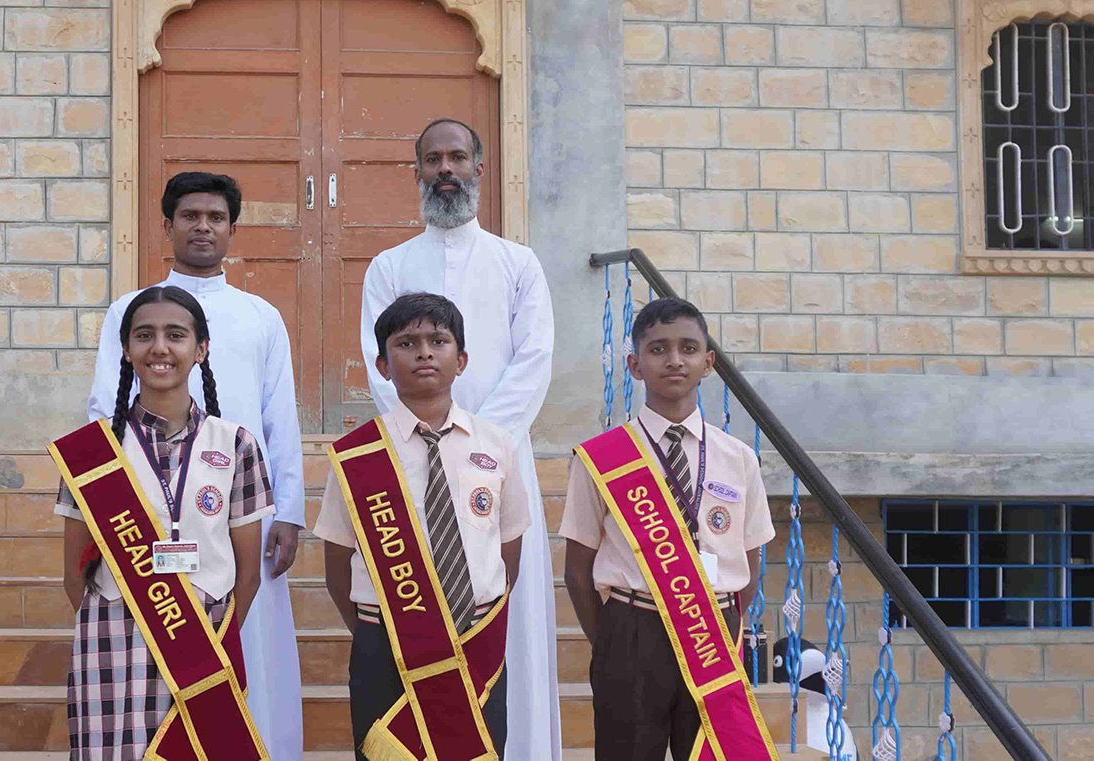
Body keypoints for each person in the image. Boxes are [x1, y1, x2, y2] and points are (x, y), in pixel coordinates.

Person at [358, 118, 558, 759]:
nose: (446, 169)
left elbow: (536, 358)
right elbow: (377, 360)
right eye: (433, 159)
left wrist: (481, 442)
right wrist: (431, 433)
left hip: (500, 461)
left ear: (479, 166)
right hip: (408, 461)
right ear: (415, 172)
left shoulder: (518, 263)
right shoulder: (389, 267)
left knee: (503, 616)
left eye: (458, 157)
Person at [85, 171, 305, 757]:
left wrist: (290, 511)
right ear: (168, 225)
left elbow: (279, 416)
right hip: (143, 513)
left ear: (232, 229)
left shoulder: (262, 315)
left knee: (243, 639)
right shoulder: (126, 311)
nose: (202, 227)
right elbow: (103, 409)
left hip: (237, 510)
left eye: (215, 218)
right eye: (190, 216)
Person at [56, 285, 272, 760]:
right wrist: (117, 617)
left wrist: (208, 635)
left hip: (205, 634)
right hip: (113, 634)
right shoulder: (92, 452)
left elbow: (249, 573)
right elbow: (74, 570)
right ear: (127, 349)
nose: (159, 348)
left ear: (201, 349)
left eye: (176, 335)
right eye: (144, 335)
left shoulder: (236, 444)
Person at [560, 297, 777, 761]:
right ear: (635, 365)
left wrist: (718, 618)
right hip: (631, 628)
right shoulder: (601, 459)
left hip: (714, 631)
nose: (675, 360)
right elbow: (577, 570)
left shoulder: (739, 458)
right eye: (658, 350)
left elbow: (751, 560)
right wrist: (614, 642)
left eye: (688, 348)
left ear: (708, 363)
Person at [317, 293, 528, 761]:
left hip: (476, 639)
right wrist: (395, 628)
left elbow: (508, 547)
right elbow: (336, 563)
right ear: (383, 365)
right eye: (407, 342)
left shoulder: (497, 444)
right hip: (386, 644)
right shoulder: (357, 454)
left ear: (462, 360)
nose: (425, 352)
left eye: (439, 340)